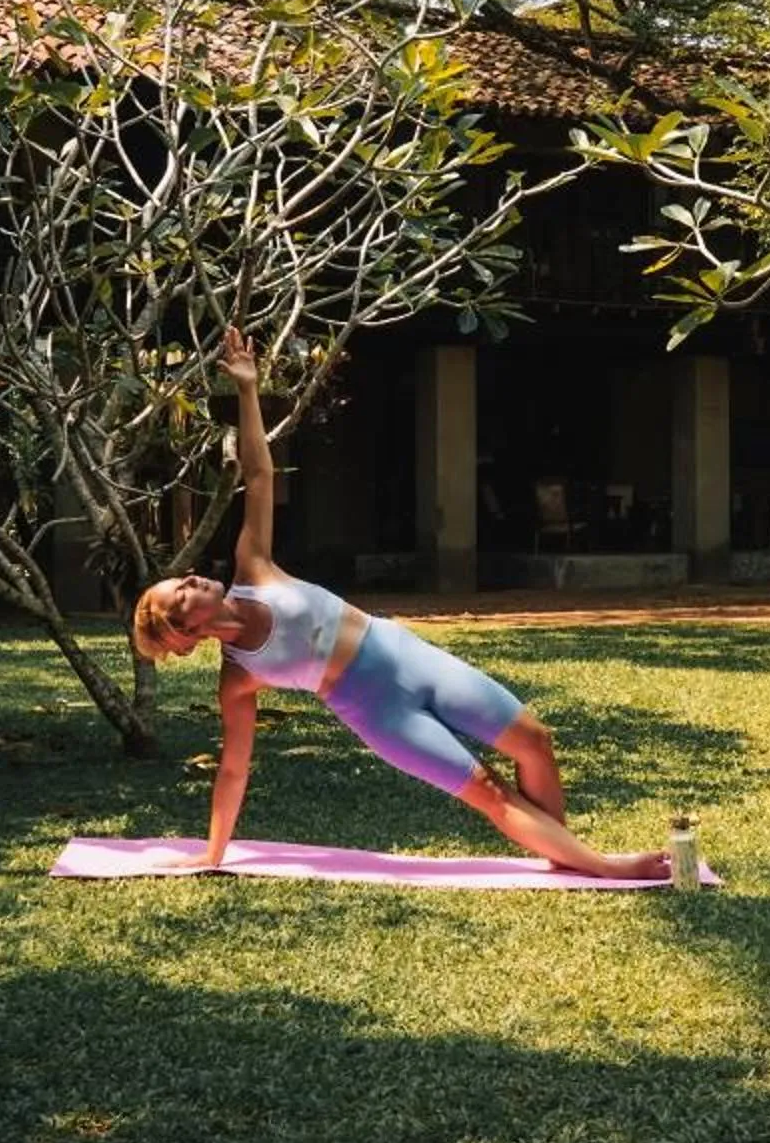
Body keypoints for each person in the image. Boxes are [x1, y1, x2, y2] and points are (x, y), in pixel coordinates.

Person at [132, 328, 670, 880]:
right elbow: (233, 770)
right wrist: (213, 853)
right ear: (186, 629)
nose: (194, 576)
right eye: (183, 590)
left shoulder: (254, 569)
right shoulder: (238, 678)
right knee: (487, 789)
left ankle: (568, 857)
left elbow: (259, 474)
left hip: (406, 655)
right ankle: (605, 866)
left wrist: (248, 390)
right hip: (377, 710)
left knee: (534, 740)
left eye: (186, 577)